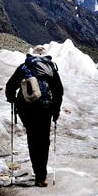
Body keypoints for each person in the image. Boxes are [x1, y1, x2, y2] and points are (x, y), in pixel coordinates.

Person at [5, 46, 63, 187]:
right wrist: (56, 111)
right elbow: (58, 91)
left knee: (33, 139)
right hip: (45, 108)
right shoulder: (51, 68)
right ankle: (41, 176)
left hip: (27, 109)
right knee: (44, 141)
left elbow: (10, 86)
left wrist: (11, 98)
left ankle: (37, 171)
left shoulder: (24, 67)